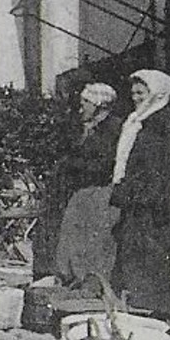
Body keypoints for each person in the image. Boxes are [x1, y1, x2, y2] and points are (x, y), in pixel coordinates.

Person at [109, 69, 170, 320]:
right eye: (133, 92)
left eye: (141, 92)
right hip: (139, 202)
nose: (135, 97)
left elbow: (167, 168)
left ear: (156, 93)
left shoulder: (164, 124)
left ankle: (155, 314)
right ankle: (138, 308)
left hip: (154, 207)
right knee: (134, 256)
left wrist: (142, 195)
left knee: (151, 259)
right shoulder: (140, 120)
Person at [48, 83, 124, 286]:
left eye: (85, 103)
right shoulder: (86, 127)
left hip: (100, 192)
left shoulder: (113, 128)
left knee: (92, 241)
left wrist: (72, 164)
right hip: (82, 190)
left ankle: (90, 283)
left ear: (99, 104)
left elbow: (104, 163)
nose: (81, 108)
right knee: (72, 237)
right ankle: (73, 279)